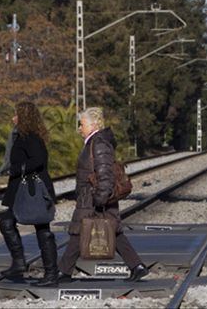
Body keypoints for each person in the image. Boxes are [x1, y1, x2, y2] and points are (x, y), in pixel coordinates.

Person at [57, 107, 149, 283]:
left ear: (93, 125)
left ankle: (64, 271)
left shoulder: (98, 144)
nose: (79, 128)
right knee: (112, 231)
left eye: (82, 124)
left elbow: (104, 173)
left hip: (95, 197)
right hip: (92, 196)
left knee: (79, 231)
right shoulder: (95, 142)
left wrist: (100, 197)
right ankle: (137, 266)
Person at [0, 101, 58, 287]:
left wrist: (17, 169)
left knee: (42, 230)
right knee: (6, 222)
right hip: (21, 189)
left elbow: (39, 160)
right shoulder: (21, 136)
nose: (12, 118)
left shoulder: (30, 137)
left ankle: (51, 273)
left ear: (24, 118)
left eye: (16, 115)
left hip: (33, 189)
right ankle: (19, 262)